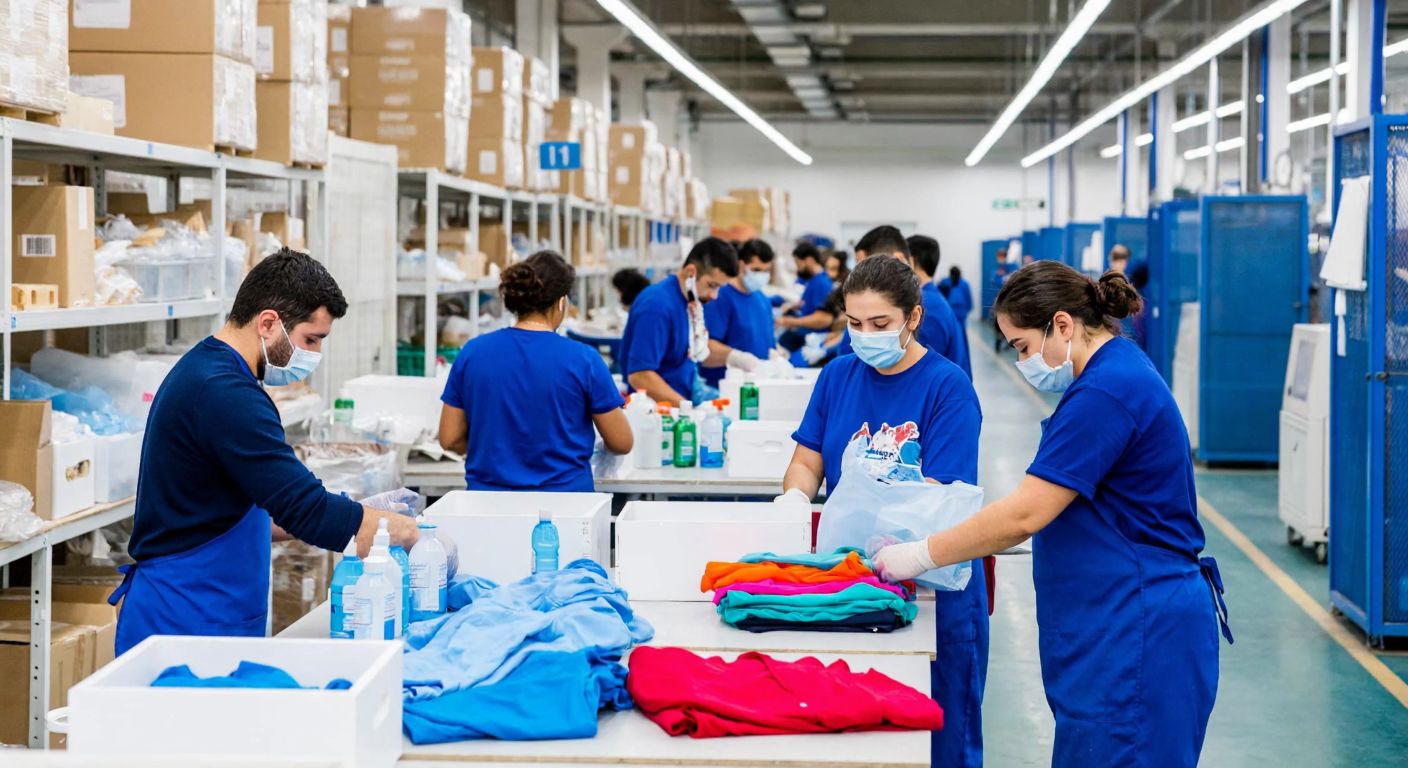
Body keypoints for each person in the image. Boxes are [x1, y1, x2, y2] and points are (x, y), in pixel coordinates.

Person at [873, 261, 1230, 768]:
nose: (1022, 360)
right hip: (1116, 619)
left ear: (1062, 325)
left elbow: (1024, 513)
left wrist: (919, 554)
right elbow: (1095, 500)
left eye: (1021, 346)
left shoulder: (1106, 392)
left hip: (1137, 627)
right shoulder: (1114, 371)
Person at [110, 249, 419, 655]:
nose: (315, 356)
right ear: (269, 322)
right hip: (185, 619)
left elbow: (249, 510)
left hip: (205, 609)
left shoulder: (211, 372)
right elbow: (305, 511)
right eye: (311, 339)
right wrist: (408, 533)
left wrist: (361, 512)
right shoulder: (226, 393)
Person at [777, 255, 988, 768]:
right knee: (861, 733)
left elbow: (938, 496)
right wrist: (794, 500)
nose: (864, 335)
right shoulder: (838, 376)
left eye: (879, 325)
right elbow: (808, 459)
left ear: (913, 318)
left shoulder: (948, 387)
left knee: (941, 737)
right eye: (853, 323)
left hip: (930, 585)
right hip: (852, 581)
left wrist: (882, 536)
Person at [439, 251, 632, 491]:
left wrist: (500, 451)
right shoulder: (584, 359)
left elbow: (449, 438)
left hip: (489, 507)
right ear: (562, 302)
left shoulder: (473, 352)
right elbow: (621, 442)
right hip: (566, 508)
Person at [619, 237, 740, 405]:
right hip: (658, 411)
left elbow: (696, 352)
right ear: (691, 272)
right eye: (712, 285)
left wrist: (736, 358)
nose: (715, 296)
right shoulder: (657, 306)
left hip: (682, 396)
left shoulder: (690, 301)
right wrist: (687, 411)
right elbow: (640, 375)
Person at [700, 238, 775, 387]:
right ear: (741, 265)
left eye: (766, 271)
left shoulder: (762, 299)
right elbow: (705, 347)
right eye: (756, 270)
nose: (762, 276)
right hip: (724, 389)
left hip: (757, 385)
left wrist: (775, 355)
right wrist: (736, 358)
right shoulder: (720, 297)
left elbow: (767, 339)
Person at [777, 242, 835, 352]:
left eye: (798, 264)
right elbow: (808, 304)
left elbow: (824, 319)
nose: (798, 268)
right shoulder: (813, 281)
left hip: (811, 337)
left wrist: (789, 321)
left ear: (809, 260)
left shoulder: (821, 283)